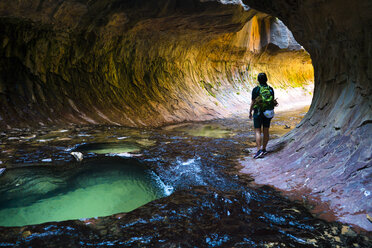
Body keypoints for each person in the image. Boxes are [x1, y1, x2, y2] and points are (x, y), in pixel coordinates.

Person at [249, 72, 276, 159]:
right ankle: (264, 149)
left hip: (258, 112)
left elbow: (253, 102)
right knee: (266, 130)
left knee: (257, 131)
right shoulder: (271, 89)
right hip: (267, 112)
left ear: (258, 80)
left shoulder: (256, 90)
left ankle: (258, 150)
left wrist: (250, 112)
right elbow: (272, 101)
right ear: (266, 79)